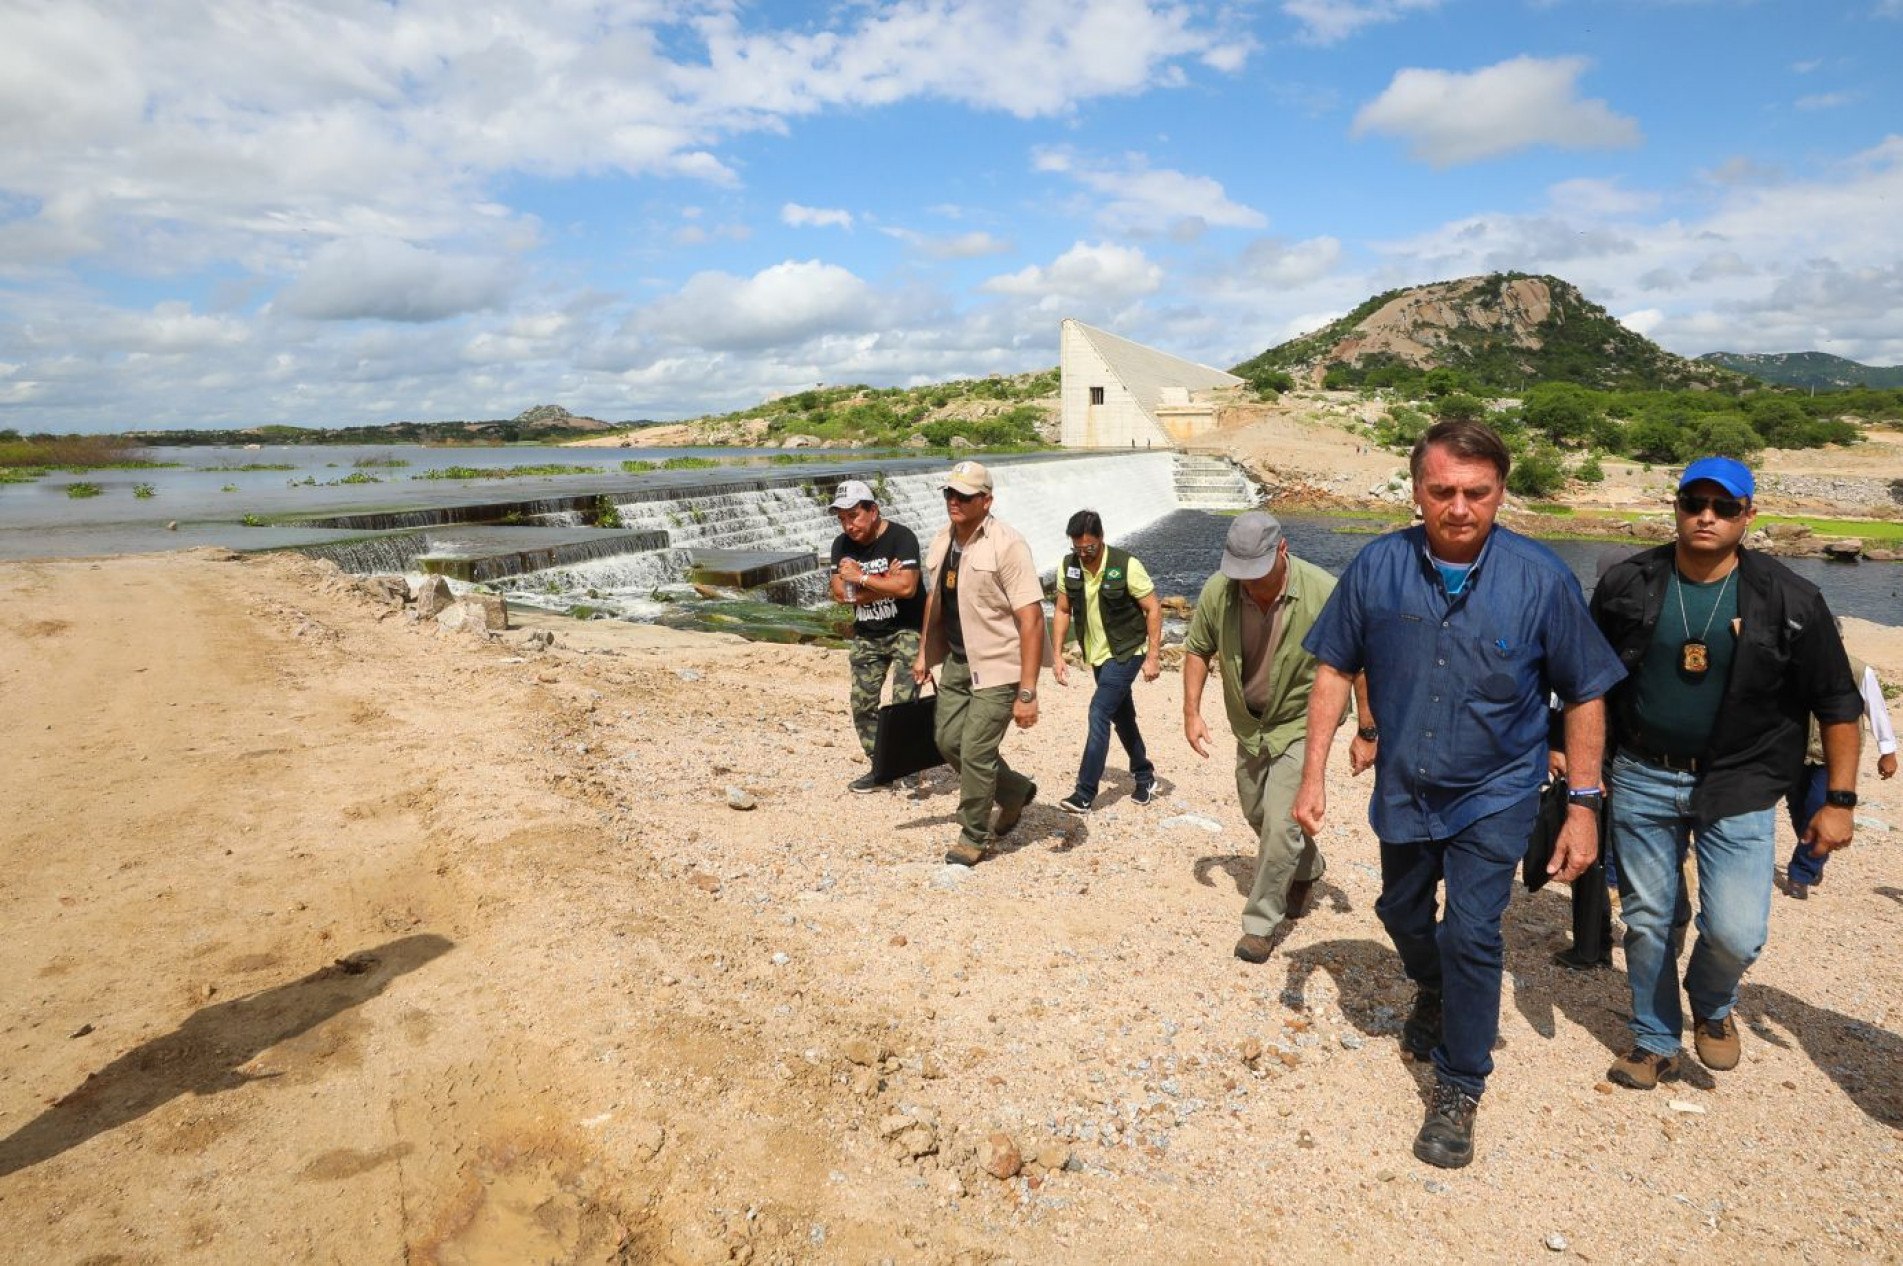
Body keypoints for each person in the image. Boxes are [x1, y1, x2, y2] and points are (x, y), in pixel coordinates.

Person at [1292, 420, 1624, 1170]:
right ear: (1416, 492)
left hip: (1494, 790)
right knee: (1400, 912)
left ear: (1500, 492)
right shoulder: (1376, 567)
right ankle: (1433, 986)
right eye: (1441, 491)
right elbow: (1332, 672)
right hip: (1404, 784)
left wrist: (1581, 804)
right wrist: (1311, 773)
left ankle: (1458, 1083)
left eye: (1476, 492)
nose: (1459, 507)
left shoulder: (1541, 579)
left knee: (1473, 931)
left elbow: (1583, 694)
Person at [1591, 456, 1860, 1092]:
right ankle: (1655, 1038)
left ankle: (1711, 1002)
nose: (1706, 516)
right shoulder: (1629, 583)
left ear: (1748, 516)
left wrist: (1840, 799)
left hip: (1741, 780)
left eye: (1724, 507)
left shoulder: (1792, 599)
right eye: (1694, 503)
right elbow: (1586, 679)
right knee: (1651, 917)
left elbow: (1838, 702)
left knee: (1737, 931)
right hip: (1643, 772)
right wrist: (1573, 760)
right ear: (1677, 508)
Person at [1181, 511, 1356, 963]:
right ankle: (1308, 868)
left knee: (1281, 824)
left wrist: (1368, 729)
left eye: (1256, 572)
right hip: (1250, 722)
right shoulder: (1219, 591)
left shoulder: (1322, 591)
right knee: (1257, 809)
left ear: (1283, 550)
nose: (1249, 583)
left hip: (1303, 719)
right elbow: (1198, 649)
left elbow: (1358, 661)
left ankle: (1260, 923)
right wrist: (1191, 711)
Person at [912, 460, 1050, 867]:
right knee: (946, 741)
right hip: (958, 658)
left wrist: (1028, 691)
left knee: (974, 749)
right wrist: (924, 652)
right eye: (949, 494)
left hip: (1000, 663)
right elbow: (935, 600)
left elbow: (1031, 618)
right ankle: (1013, 791)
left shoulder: (1008, 545)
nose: (954, 501)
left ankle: (974, 835)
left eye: (965, 496)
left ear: (986, 501)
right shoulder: (942, 540)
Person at [1051, 510, 1162, 814]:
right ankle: (1145, 775)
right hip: (1097, 655)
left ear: (1101, 539)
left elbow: (1153, 608)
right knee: (1122, 717)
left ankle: (1084, 793)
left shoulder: (1126, 565)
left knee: (1098, 711)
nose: (1083, 554)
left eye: (1089, 548)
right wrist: (1057, 654)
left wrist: (1153, 657)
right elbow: (1062, 611)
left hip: (1126, 652)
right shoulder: (1069, 566)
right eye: (1078, 548)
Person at [827, 480, 925, 792]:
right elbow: (841, 594)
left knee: (903, 704)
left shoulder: (901, 538)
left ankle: (907, 764)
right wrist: (885, 580)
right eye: (842, 518)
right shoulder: (840, 545)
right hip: (867, 633)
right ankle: (880, 765)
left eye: (854, 515)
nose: (848, 524)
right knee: (862, 705)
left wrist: (862, 577)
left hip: (906, 629)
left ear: (873, 510)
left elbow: (908, 588)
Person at [1784, 650, 1896, 899]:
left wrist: (1887, 751)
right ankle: (1815, 851)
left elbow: (1876, 710)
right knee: (1798, 807)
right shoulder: (1793, 664)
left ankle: (1800, 874)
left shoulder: (1858, 671)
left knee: (1817, 807)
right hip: (1796, 752)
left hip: (1833, 756)